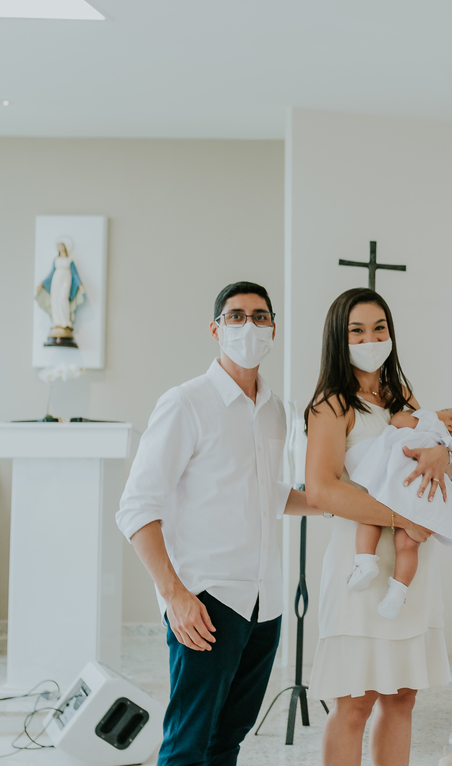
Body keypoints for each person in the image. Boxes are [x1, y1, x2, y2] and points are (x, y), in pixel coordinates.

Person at [116, 281, 320, 766]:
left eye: (260, 316)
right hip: (207, 601)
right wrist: (176, 596)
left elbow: (266, 493)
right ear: (215, 329)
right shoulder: (185, 403)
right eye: (236, 316)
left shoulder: (276, 412)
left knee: (227, 741)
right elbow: (137, 507)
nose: (249, 326)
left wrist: (337, 502)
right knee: (188, 744)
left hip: (264, 604)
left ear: (273, 329)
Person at [304, 288, 452, 766]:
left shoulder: (401, 396)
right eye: (357, 330)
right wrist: (401, 518)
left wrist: (443, 454)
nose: (370, 339)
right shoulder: (331, 405)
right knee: (354, 702)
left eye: (379, 329)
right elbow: (322, 490)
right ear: (338, 337)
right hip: (362, 561)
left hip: (409, 564)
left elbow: (429, 453)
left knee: (403, 697)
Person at [344, 407, 452, 618]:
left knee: (371, 516)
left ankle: (365, 561)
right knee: (408, 546)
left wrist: (413, 413)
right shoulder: (444, 449)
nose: (435, 410)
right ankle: (398, 591)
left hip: (399, 479)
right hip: (422, 493)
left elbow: (397, 419)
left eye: (441, 410)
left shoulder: (430, 423)